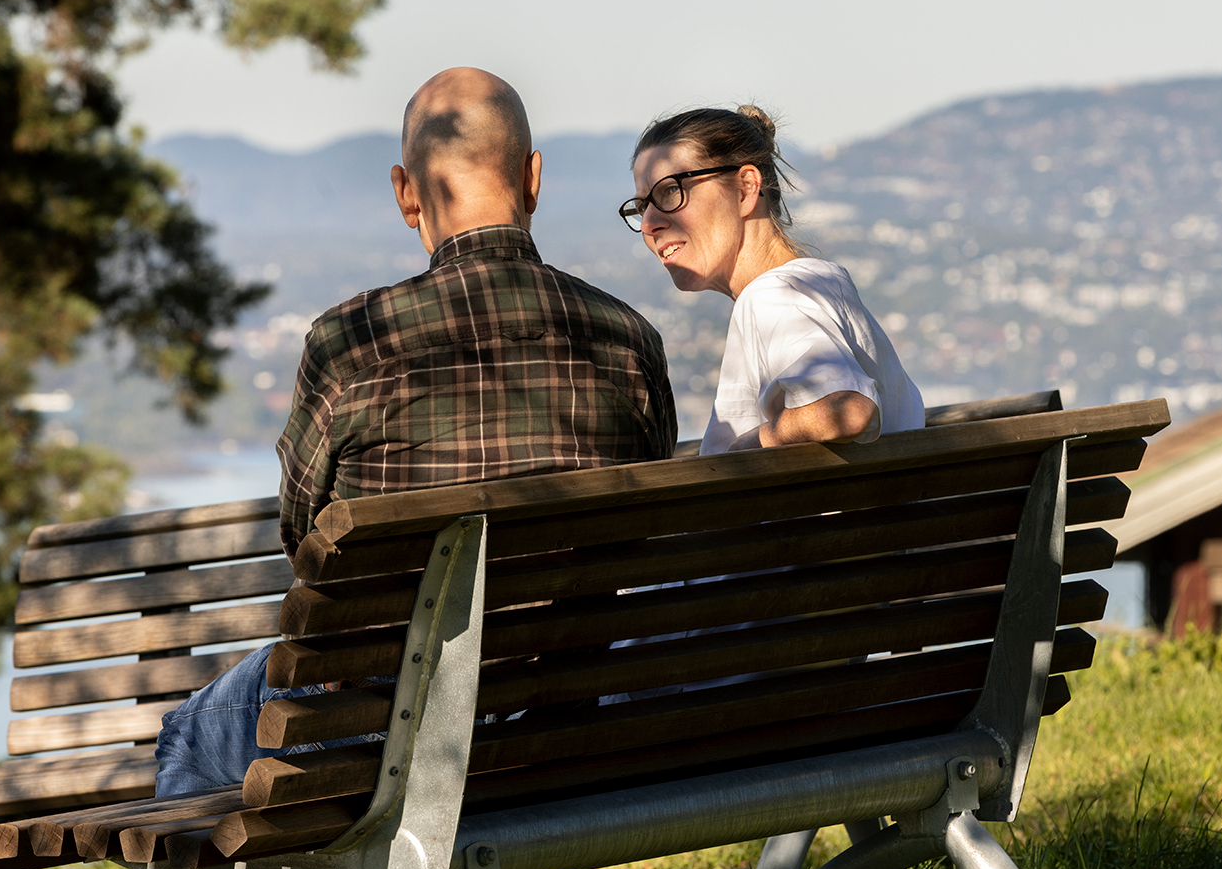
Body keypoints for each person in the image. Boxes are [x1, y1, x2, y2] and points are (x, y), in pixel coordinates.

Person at [154, 68, 678, 795]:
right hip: (562, 717)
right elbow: (641, 532)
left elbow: (306, 540)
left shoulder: (351, 344)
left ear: (407, 192)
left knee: (187, 731)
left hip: (383, 725)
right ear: (533, 180)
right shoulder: (628, 341)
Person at [621, 104, 923, 453]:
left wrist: (746, 447)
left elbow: (846, 410)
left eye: (670, 191)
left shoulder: (775, 295)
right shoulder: (812, 287)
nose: (648, 224)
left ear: (746, 188)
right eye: (641, 206)